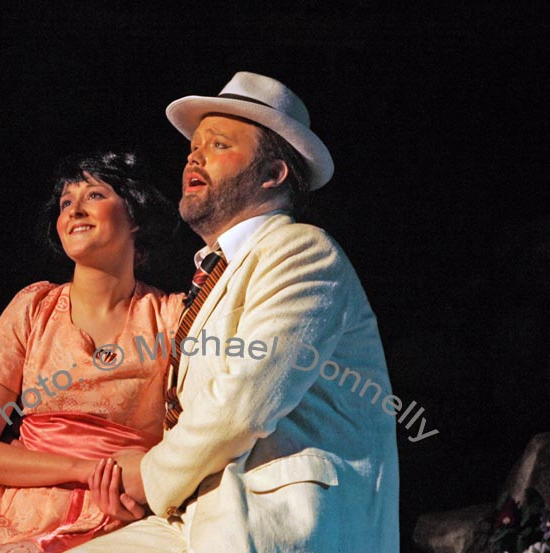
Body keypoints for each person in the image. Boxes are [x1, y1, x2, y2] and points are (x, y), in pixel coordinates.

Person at [69, 72, 400, 552]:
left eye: (219, 145)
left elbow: (242, 402)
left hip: (284, 524)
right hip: (201, 519)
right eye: (193, 148)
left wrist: (151, 475)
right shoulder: (217, 274)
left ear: (273, 174)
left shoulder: (302, 250)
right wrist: (151, 493)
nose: (194, 157)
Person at [0, 152, 185, 552]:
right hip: (20, 515)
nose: (75, 209)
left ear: (135, 216)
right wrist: (87, 469)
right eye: (65, 202)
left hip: (126, 516)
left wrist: (143, 488)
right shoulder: (33, 308)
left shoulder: (172, 317)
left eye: (94, 194)